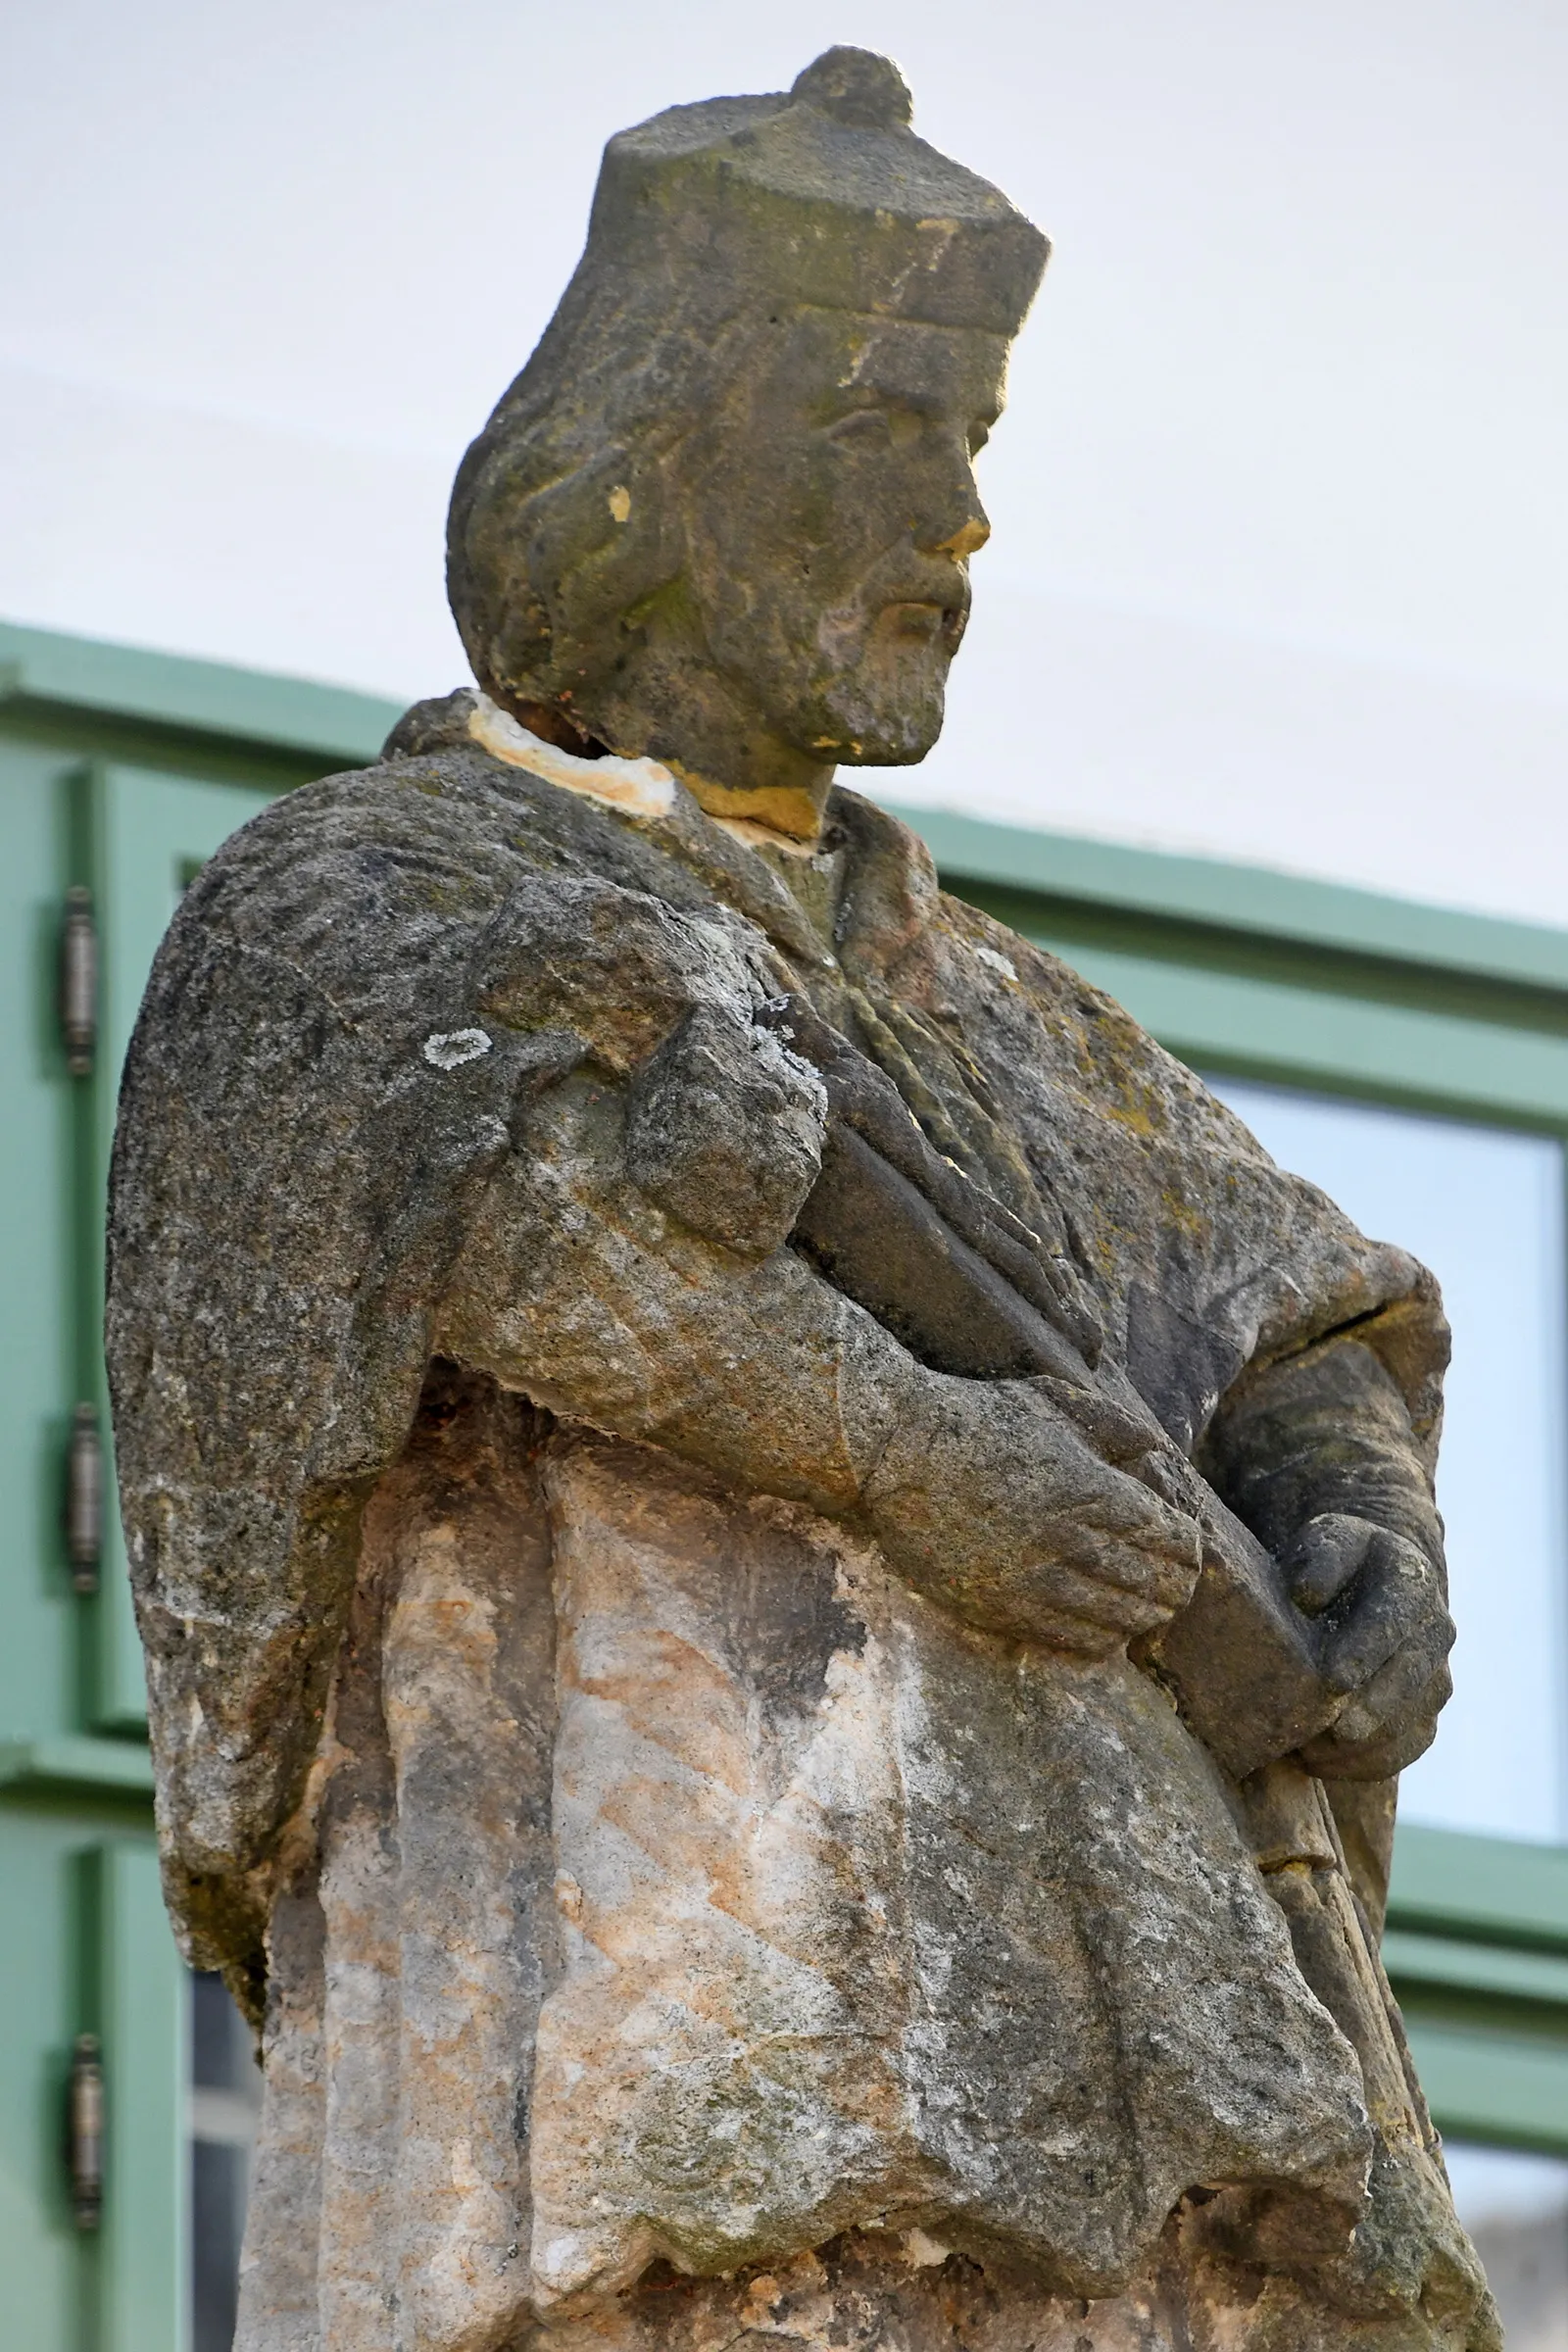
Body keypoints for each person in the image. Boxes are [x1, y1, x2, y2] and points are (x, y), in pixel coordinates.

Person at [108, 47, 1494, 2352]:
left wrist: (1359, 1520)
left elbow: (1293, 1308)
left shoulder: (1026, 1027)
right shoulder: (368, 894)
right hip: (679, 2001)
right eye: (880, 438)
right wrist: (898, 1453)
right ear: (642, 473)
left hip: (1148, 2079)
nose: (951, 524)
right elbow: (473, 1215)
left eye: (970, 450)